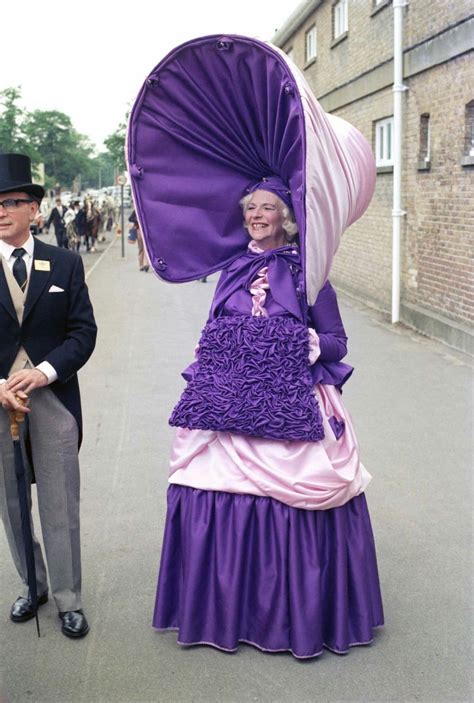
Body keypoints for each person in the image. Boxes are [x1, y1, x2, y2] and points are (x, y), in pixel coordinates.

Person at [153, 179, 384, 658]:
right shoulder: (233, 269)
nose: (256, 215)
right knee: (201, 482)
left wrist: (306, 344)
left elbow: (337, 341)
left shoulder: (310, 274)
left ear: (287, 217)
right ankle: (222, 609)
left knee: (304, 492)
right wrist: (210, 350)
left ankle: (286, 615)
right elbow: (215, 325)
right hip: (228, 405)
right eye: (250, 208)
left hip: (292, 402)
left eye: (267, 208)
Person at [0, 153, 97, 638]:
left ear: (34, 210)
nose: (1, 210)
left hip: (52, 399)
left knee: (59, 502)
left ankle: (67, 598)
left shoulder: (64, 262)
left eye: (11, 201)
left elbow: (83, 332)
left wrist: (43, 371)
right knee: (12, 503)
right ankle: (32, 584)